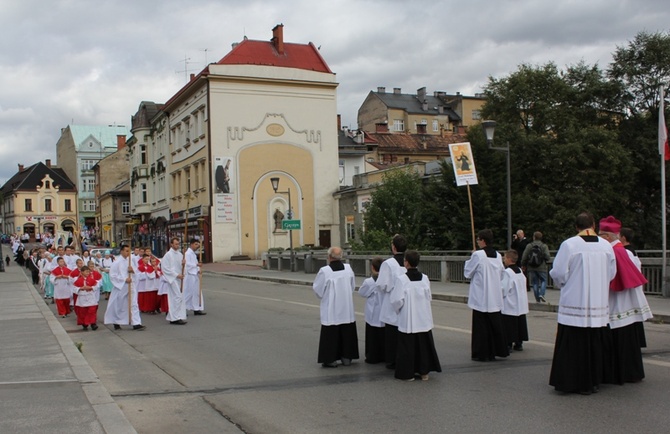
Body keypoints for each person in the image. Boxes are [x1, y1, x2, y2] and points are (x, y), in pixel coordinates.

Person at [549, 212, 616, 395]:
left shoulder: (569, 244)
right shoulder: (606, 246)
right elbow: (612, 273)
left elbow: (559, 273)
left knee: (574, 344)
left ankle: (572, 382)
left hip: (574, 302)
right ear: (593, 225)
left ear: (576, 227)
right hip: (598, 303)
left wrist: (563, 285)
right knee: (594, 341)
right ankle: (594, 381)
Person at [598, 216, 652, 384]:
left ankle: (617, 373)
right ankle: (631, 372)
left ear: (607, 237)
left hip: (616, 300)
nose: (598, 238)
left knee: (617, 337)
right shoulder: (626, 251)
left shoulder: (612, 252)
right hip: (627, 300)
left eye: (600, 235)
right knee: (628, 338)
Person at [390, 250, 442, 381]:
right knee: (423, 346)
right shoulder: (424, 278)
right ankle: (424, 371)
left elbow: (397, 300)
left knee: (407, 347)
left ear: (406, 262)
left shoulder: (402, 280)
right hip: (422, 317)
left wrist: (398, 311)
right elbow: (428, 296)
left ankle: (408, 374)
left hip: (408, 318)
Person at [464, 229, 509, 361]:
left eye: (478, 239)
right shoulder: (498, 255)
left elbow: (467, 272)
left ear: (483, 240)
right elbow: (501, 273)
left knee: (481, 326)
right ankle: (496, 350)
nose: (477, 242)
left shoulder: (478, 255)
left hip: (481, 295)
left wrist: (471, 256)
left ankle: (482, 352)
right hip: (494, 295)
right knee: (493, 324)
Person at [312, 246, 359, 368]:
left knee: (331, 333)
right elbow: (352, 286)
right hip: (346, 307)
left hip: (331, 308)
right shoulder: (348, 269)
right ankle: (347, 357)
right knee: (346, 331)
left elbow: (318, 290)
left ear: (329, 257)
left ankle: (330, 359)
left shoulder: (325, 271)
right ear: (341, 256)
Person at [377, 234, 409, 369]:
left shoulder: (388, 263)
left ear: (393, 247)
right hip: (406, 300)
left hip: (391, 301)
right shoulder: (409, 260)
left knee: (391, 333)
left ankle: (391, 360)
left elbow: (382, 285)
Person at [104, 244, 146, 331]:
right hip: (121, 287)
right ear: (122, 251)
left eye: (129, 251)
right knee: (119, 305)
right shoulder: (116, 263)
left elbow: (137, 272)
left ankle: (136, 323)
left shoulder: (130, 261)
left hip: (131, 286)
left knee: (134, 304)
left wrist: (132, 271)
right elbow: (113, 276)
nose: (128, 253)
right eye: (126, 251)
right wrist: (124, 279)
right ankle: (116, 321)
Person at [357, 257, 385, 364]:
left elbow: (362, 293)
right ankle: (385, 355)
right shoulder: (387, 279)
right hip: (384, 311)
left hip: (373, 312)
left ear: (372, 267)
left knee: (373, 336)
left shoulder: (369, 281)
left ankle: (372, 356)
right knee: (384, 335)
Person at [501, 250, 529, 352]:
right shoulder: (520, 271)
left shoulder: (507, 272)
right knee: (519, 322)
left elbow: (503, 288)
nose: (503, 260)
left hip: (510, 302)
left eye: (504, 258)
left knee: (509, 323)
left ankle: (508, 343)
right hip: (520, 302)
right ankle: (519, 343)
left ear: (509, 259)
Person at [161, 237, 187, 324]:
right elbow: (165, 268)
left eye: (178, 244)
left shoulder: (180, 255)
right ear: (171, 244)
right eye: (175, 244)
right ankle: (175, 318)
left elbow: (182, 268)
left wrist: (183, 264)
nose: (177, 245)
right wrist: (176, 275)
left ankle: (178, 316)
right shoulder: (168, 255)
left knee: (180, 297)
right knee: (176, 297)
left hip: (179, 279)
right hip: (172, 279)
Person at [521, 231, 551, 303]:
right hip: (542, 267)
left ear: (534, 237)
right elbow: (548, 257)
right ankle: (541, 294)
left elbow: (524, 256)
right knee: (544, 280)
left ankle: (537, 299)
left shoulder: (529, 246)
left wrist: (523, 264)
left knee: (535, 282)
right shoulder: (544, 246)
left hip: (531, 267)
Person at [73, 266, 101, 331]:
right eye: (86, 272)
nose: (88, 273)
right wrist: (81, 288)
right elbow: (74, 289)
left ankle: (93, 324)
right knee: (83, 312)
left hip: (90, 297)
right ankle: (85, 324)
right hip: (82, 298)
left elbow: (96, 286)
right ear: (82, 272)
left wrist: (91, 288)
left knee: (92, 311)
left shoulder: (91, 280)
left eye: (88, 272)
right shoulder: (78, 280)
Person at [184, 239, 206, 315]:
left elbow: (196, 263)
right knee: (189, 292)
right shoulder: (187, 253)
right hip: (190, 275)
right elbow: (187, 264)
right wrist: (196, 265)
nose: (197, 246)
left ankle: (196, 308)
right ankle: (183, 308)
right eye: (196, 244)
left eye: (198, 245)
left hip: (195, 274)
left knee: (197, 292)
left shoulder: (193, 254)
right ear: (191, 244)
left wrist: (198, 269)